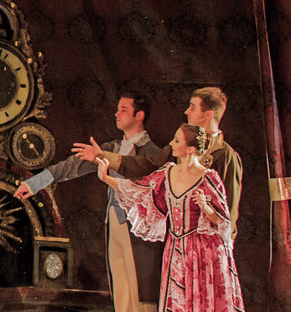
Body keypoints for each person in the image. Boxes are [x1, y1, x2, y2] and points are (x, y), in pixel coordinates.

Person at [95, 125, 266, 312]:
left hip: (207, 258)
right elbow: (139, 190)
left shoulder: (209, 178)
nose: (172, 144)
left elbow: (223, 222)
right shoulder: (167, 174)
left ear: (190, 149)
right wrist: (107, 179)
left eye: (177, 141)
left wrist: (207, 208)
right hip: (176, 254)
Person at [15, 92, 160, 312]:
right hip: (116, 224)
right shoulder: (112, 147)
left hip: (139, 229)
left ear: (139, 115)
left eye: (124, 109)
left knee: (140, 295)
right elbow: (72, 165)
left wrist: (104, 158)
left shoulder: (152, 152)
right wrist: (35, 183)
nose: (117, 113)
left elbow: (143, 182)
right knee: (123, 295)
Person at [93, 88, 242, 238]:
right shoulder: (181, 144)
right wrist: (103, 157)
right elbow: (148, 165)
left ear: (208, 114)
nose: (186, 112)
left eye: (192, 108)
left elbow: (228, 212)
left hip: (206, 241)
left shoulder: (225, 155)